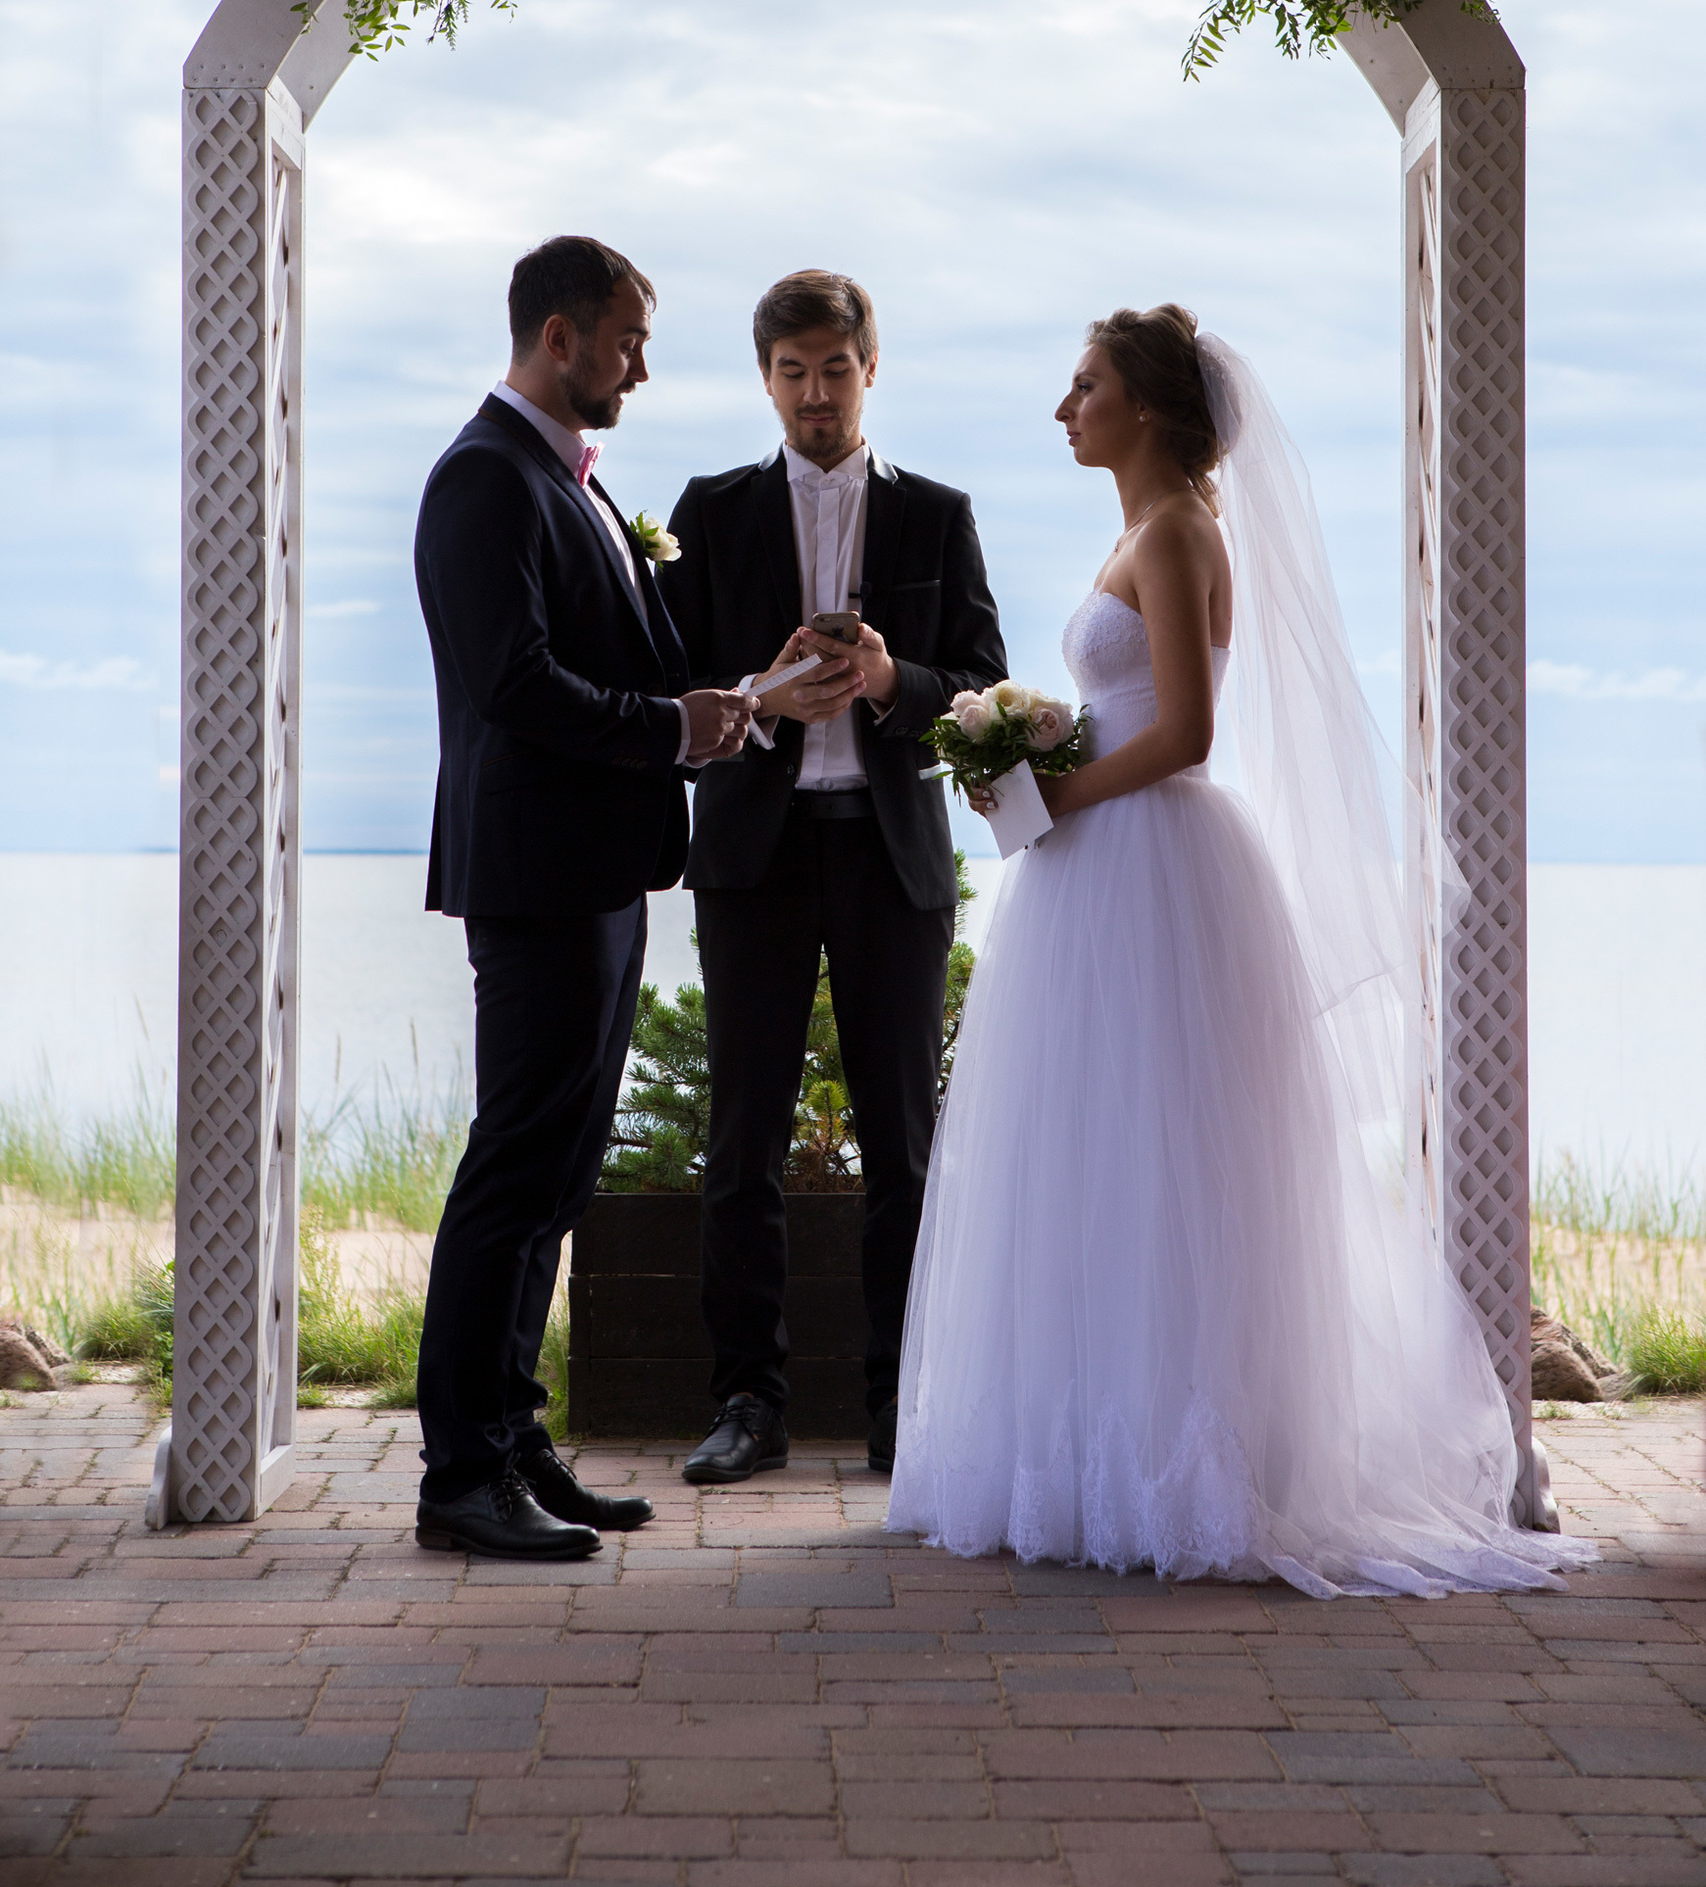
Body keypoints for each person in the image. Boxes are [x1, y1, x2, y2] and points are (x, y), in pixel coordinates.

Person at [888, 304, 1599, 1596]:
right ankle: (1094, 1443)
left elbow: (1186, 734)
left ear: (1146, 410)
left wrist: (1045, 788)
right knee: (1095, 1156)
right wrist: (1035, 765)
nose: (1065, 407)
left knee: (1163, 1153)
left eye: (1083, 384)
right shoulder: (1140, 528)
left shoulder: (1174, 531)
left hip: (1148, 857)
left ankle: (1180, 1460)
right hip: (1101, 870)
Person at [411, 236, 754, 1561]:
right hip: (536, 875)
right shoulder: (483, 480)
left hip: (600, 874)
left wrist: (734, 691)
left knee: (555, 1176)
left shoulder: (578, 492)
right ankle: (459, 1478)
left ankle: (514, 1438)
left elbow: (630, 656)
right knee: (512, 1172)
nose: (641, 366)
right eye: (627, 340)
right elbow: (514, 685)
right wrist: (670, 728)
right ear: (557, 338)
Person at [655, 271, 1008, 1484]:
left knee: (902, 1143)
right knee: (739, 1137)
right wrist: (758, 694)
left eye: (835, 370)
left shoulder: (938, 515)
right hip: (751, 854)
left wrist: (887, 683)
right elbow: (671, 682)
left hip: (887, 850)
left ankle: (900, 1408)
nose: (815, 393)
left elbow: (984, 687)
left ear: (871, 369)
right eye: (793, 372)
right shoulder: (705, 510)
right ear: (765, 377)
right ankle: (745, 1405)